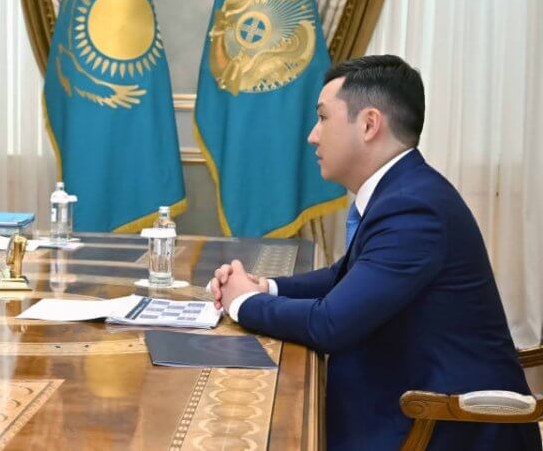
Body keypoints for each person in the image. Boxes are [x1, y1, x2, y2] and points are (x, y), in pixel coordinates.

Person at [210, 55, 540, 450]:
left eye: (323, 118)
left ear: (368, 124)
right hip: (409, 398)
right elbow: (345, 275)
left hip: (440, 427)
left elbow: (330, 325)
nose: (313, 136)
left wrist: (242, 302)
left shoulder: (414, 208)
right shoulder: (405, 190)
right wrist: (266, 288)